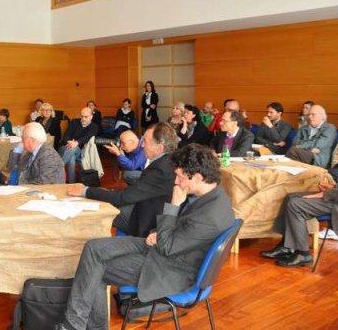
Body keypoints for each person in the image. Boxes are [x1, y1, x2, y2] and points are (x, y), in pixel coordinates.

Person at [56, 144, 235, 330]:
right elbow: (184, 232)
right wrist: (157, 232)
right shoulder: (213, 196)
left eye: (180, 177)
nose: (176, 181)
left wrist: (173, 206)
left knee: (94, 269)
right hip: (168, 247)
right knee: (93, 248)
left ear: (198, 177)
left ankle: (73, 325)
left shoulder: (209, 217)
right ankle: (78, 325)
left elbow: (168, 247)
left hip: (171, 268)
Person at [69, 123, 177, 237]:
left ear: (159, 148)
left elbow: (123, 198)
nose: (142, 145)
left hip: (147, 223)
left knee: (100, 210)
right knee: (108, 199)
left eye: (145, 141)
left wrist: (85, 191)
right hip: (145, 207)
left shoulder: (159, 170)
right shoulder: (168, 162)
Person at [260, 176, 338, 267]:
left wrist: (327, 194)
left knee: (295, 205)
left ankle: (303, 254)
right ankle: (287, 246)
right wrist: (334, 187)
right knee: (291, 197)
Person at [58, 107, 98, 183]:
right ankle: (72, 182)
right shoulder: (74, 122)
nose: (83, 119)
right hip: (64, 147)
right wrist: (70, 142)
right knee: (72, 157)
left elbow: (86, 137)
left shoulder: (94, 127)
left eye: (86, 117)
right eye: (82, 116)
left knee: (74, 148)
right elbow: (66, 135)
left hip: (79, 152)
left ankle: (58, 168)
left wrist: (76, 143)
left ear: (91, 117)